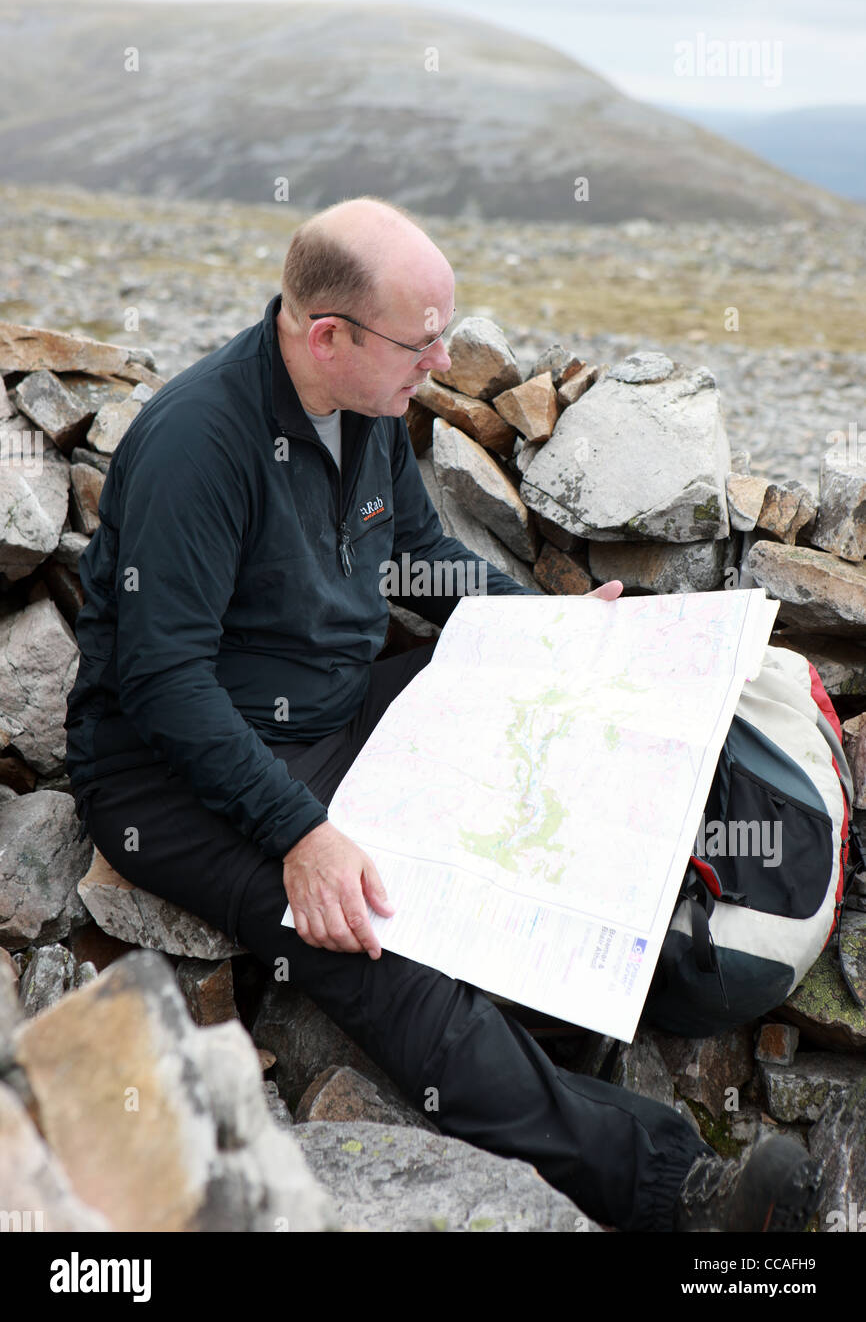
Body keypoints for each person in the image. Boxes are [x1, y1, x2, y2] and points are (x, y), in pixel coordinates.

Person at [64, 195, 820, 1232]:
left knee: (549, 716)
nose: (436, 365)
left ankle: (602, 987)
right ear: (327, 334)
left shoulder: (368, 409)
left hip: (334, 712)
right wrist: (301, 833)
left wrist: (553, 626)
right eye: (420, 343)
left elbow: (422, 560)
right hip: (179, 769)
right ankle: (675, 1190)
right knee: (377, 941)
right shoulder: (199, 441)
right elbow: (163, 681)